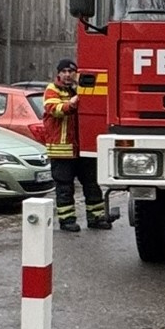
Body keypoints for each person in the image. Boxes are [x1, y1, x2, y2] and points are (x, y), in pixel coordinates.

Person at [41, 58, 110, 232]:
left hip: (83, 148)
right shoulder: (52, 90)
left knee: (92, 184)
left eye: (70, 71)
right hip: (62, 148)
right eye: (63, 72)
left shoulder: (81, 89)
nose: (67, 75)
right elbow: (54, 110)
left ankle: (96, 218)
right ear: (58, 73)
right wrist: (73, 103)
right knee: (64, 187)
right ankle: (67, 220)